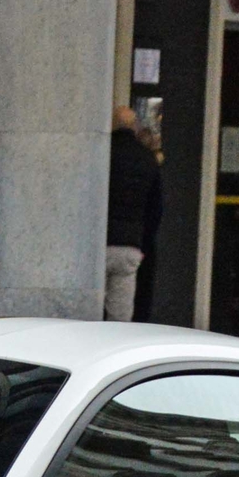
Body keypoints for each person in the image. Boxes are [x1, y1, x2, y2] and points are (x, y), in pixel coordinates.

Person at [104, 105, 164, 323]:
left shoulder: (103, 152)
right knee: (120, 312)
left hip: (99, 242)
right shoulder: (147, 159)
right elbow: (155, 207)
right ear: (134, 127)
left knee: (89, 311)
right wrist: (144, 243)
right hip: (130, 245)